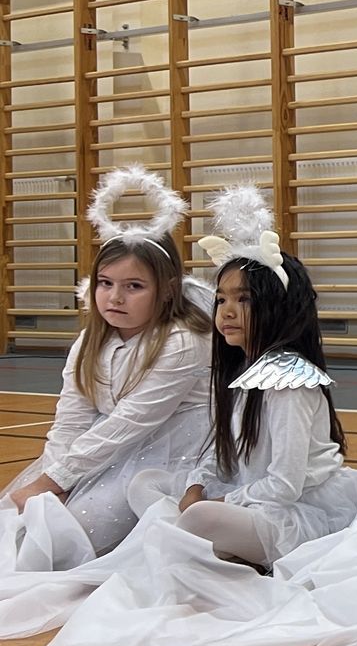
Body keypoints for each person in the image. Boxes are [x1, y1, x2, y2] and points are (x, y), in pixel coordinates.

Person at [124, 186, 357, 569]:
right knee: (144, 482)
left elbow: (284, 487)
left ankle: (206, 546)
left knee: (201, 518)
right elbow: (220, 454)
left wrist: (218, 502)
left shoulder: (289, 381)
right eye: (221, 299)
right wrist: (196, 486)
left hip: (296, 512)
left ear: (278, 308)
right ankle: (213, 547)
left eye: (245, 299)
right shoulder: (241, 370)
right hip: (247, 498)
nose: (227, 311)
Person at [4, 167, 210, 558]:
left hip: (169, 452)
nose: (115, 297)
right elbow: (71, 418)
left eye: (134, 286)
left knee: (73, 540)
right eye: (105, 283)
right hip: (103, 450)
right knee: (25, 530)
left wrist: (54, 482)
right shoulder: (90, 340)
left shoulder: (184, 341)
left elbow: (129, 423)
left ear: (168, 290)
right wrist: (53, 481)